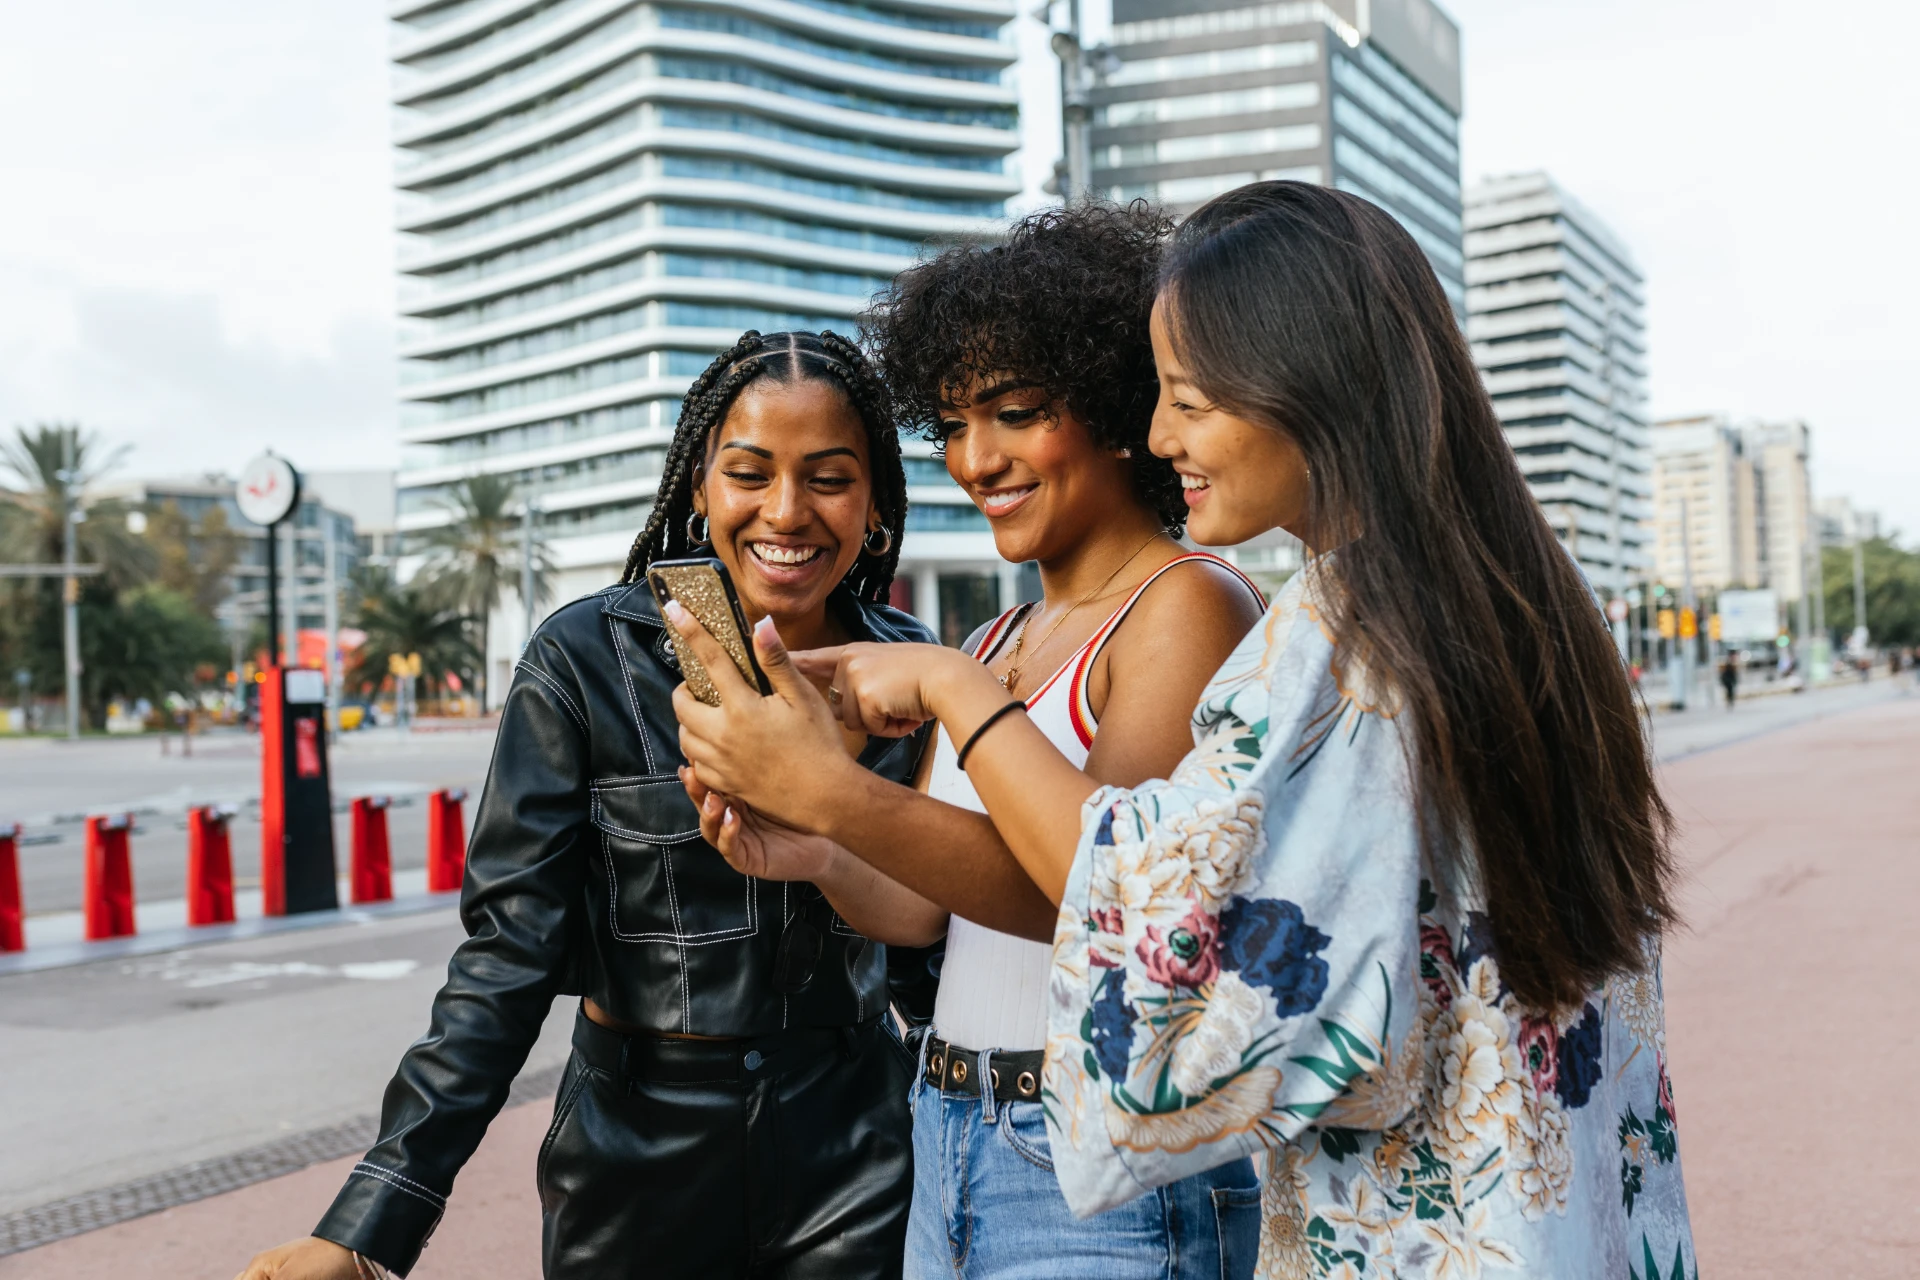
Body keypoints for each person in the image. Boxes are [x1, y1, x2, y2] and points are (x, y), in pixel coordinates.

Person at [672, 183, 1697, 1276]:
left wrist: (926, 711)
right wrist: (824, 840)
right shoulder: (1517, 595)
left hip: (1408, 1222)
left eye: (1189, 399)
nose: (1165, 435)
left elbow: (1148, 908)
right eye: (953, 423)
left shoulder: (1329, 626)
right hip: (1540, 1204)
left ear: (1305, 380)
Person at [237, 331, 938, 1280]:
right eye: (748, 472)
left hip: (862, 1149)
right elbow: (506, 956)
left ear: (874, 501)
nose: (786, 510)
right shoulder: (582, 661)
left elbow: (936, 954)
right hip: (634, 1155)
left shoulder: (917, 671)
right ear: (698, 486)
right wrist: (372, 1226)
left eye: (829, 477)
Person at [671, 204, 1270, 1278]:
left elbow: (1089, 893)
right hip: (949, 1122)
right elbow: (927, 907)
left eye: (1015, 412)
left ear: (1116, 406)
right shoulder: (1000, 633)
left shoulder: (1188, 606)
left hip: (1098, 1155)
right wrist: (810, 846)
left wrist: (839, 779)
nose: (976, 458)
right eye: (950, 424)